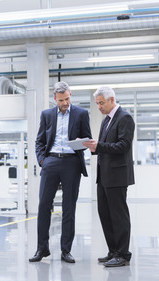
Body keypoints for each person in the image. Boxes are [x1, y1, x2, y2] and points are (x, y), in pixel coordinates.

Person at [29, 81, 92, 264]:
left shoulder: (81, 114)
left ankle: (66, 250)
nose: (64, 103)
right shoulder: (47, 115)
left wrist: (82, 142)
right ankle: (42, 248)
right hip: (51, 162)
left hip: (72, 162)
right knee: (43, 206)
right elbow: (39, 141)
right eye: (60, 100)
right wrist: (43, 160)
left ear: (70, 95)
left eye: (66, 99)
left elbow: (87, 140)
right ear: (54, 99)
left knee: (68, 208)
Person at [82, 86, 135, 267]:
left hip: (117, 175)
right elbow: (104, 145)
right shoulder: (106, 120)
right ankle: (113, 251)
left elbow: (123, 146)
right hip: (104, 175)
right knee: (105, 214)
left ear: (112, 100)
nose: (99, 107)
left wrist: (99, 146)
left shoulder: (124, 118)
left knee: (119, 216)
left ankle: (123, 254)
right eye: (97, 103)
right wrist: (93, 147)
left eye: (101, 103)